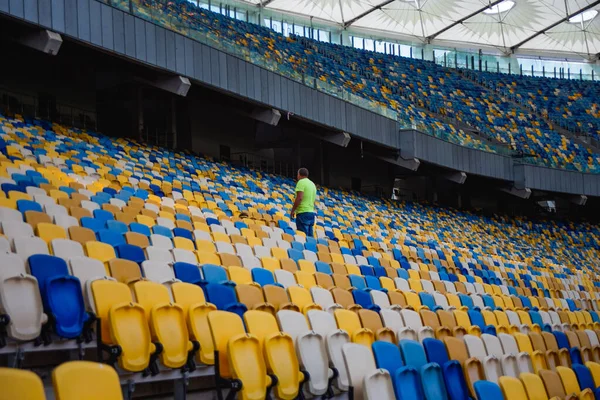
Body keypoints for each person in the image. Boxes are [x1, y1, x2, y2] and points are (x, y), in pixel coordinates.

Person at [291, 167, 316, 237]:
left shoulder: (301, 182)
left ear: (299, 174)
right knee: (310, 238)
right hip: (311, 213)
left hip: (303, 212)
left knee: (302, 237)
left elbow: (299, 198)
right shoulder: (312, 184)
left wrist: (293, 210)